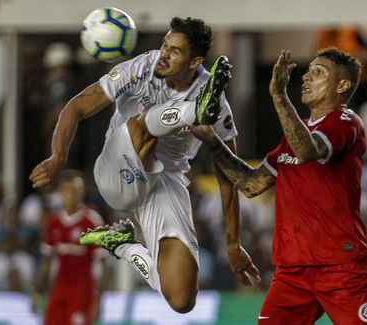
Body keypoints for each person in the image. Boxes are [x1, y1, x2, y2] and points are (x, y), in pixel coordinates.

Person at [29, 17, 259, 313]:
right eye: (165, 44)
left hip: (165, 182)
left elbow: (228, 174)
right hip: (117, 171)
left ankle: (122, 244)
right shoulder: (140, 68)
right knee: (145, 121)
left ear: (195, 61)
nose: (164, 53)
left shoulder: (219, 106)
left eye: (175, 51)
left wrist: (233, 244)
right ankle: (193, 112)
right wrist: (58, 157)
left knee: (182, 300)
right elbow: (75, 107)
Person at [191, 48, 367, 324]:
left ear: (342, 86)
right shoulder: (293, 136)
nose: (307, 77)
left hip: (340, 267)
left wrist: (279, 96)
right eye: (309, 70)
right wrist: (212, 141)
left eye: (319, 72)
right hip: (292, 272)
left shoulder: (345, 122)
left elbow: (307, 150)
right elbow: (251, 184)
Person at [31, 169, 109, 325]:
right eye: (69, 189)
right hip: (59, 288)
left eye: (77, 190)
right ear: (60, 192)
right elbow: (46, 262)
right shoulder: (54, 222)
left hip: (83, 291)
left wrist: (99, 300)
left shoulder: (92, 222)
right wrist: (36, 292)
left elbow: (104, 266)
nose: (73, 194)